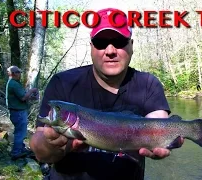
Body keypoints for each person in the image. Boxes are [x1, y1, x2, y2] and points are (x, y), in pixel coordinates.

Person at [29, 8, 184, 180]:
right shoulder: (63, 83)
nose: (110, 50)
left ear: (131, 46)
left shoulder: (148, 84)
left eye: (119, 41)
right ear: (91, 48)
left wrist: (164, 137)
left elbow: (158, 120)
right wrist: (49, 146)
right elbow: (41, 152)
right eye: (101, 42)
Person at [6, 65, 39, 160]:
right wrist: (32, 90)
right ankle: (16, 152)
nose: (20, 74)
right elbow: (23, 97)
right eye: (19, 72)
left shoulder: (14, 83)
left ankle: (21, 148)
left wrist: (31, 97)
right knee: (20, 132)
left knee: (19, 131)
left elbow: (23, 97)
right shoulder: (14, 84)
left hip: (16, 112)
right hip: (18, 112)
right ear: (14, 73)